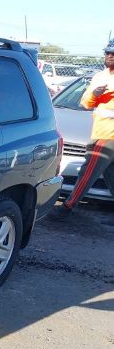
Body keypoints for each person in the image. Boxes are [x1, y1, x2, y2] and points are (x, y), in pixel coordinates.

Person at [52, 42, 114, 217]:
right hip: (100, 130)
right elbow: (85, 103)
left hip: (107, 134)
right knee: (111, 174)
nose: (110, 56)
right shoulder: (100, 77)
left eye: (113, 54)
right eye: (108, 53)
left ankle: (67, 208)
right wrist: (94, 95)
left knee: (88, 171)